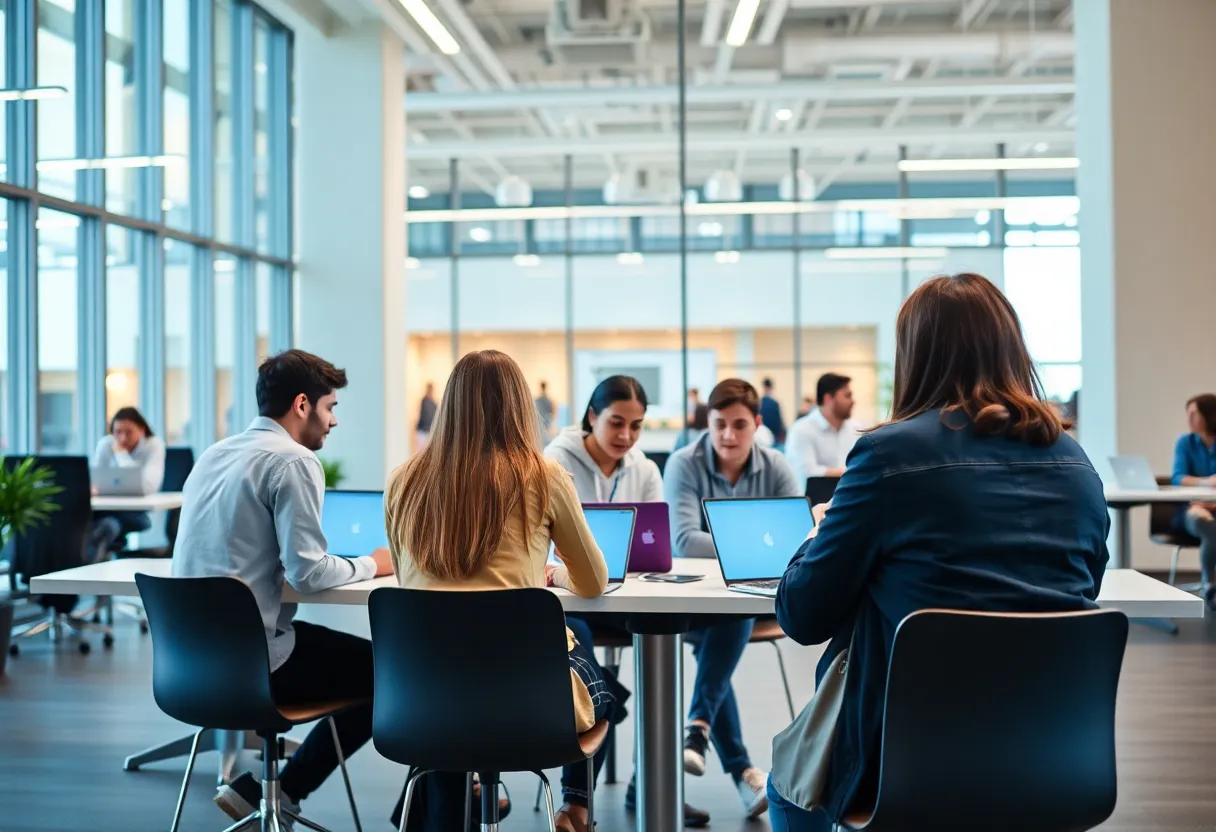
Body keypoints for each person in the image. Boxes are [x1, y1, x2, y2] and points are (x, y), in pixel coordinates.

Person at [767, 273, 1109, 832]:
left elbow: (803, 616)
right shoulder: (1076, 463)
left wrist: (816, 535)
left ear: (915, 355)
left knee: (789, 784)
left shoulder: (885, 456)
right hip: (1054, 757)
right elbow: (1080, 592)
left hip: (911, 763)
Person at [387, 350, 615, 832]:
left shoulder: (403, 481)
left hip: (424, 699)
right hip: (526, 703)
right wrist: (553, 574)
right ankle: (576, 805)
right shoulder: (544, 477)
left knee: (451, 671)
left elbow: (411, 589)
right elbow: (594, 580)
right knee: (584, 644)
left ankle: (455, 807)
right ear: (518, 407)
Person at [172, 350, 394, 824]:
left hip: (187, 664)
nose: (333, 422)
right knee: (392, 672)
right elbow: (308, 574)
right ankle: (287, 788)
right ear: (301, 405)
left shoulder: (215, 453)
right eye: (330, 407)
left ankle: (267, 790)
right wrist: (371, 564)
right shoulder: (293, 461)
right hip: (256, 665)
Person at [546, 376, 711, 828]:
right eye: (616, 423)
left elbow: (659, 547)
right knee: (582, 651)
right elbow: (546, 547)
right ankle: (579, 795)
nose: (626, 436)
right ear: (592, 416)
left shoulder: (644, 468)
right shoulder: (555, 463)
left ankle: (649, 781)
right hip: (572, 597)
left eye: (636, 426)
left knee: (669, 631)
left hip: (629, 595)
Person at [664, 379, 803, 819]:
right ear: (707, 421)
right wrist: (751, 547)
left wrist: (732, 544)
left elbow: (794, 541)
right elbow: (684, 541)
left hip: (756, 599)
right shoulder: (682, 463)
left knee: (731, 619)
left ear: (758, 423)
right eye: (719, 424)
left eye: (739, 425)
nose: (728, 435)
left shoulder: (777, 466)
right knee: (729, 621)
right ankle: (740, 767)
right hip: (695, 599)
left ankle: (695, 735)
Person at [90, 406, 166, 557]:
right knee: (103, 523)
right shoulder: (105, 444)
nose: (123, 438)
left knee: (108, 525)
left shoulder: (154, 446)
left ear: (142, 430)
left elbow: (147, 486)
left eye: (129, 432)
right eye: (118, 432)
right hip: (105, 508)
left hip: (135, 511)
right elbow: (95, 479)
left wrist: (121, 455)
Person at [1172, 393, 1216, 606]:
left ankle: (1210, 585)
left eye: (1193, 414)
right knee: (1204, 521)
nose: (1189, 419)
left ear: (1209, 415)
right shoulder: (1185, 442)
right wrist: (1207, 481)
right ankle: (1210, 584)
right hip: (1192, 509)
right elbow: (1178, 478)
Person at [784, 373, 859, 483]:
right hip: (816, 499)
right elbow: (806, 473)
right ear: (828, 398)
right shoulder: (801, 430)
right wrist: (853, 474)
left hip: (852, 497)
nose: (853, 401)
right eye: (847, 396)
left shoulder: (857, 429)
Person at [760, 378, 786, 446]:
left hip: (762, 434)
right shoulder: (774, 403)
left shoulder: (760, 402)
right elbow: (779, 422)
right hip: (773, 435)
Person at [415, 382, 437, 450]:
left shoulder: (434, 404)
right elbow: (427, 416)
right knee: (421, 450)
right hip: (422, 431)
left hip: (429, 432)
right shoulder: (424, 401)